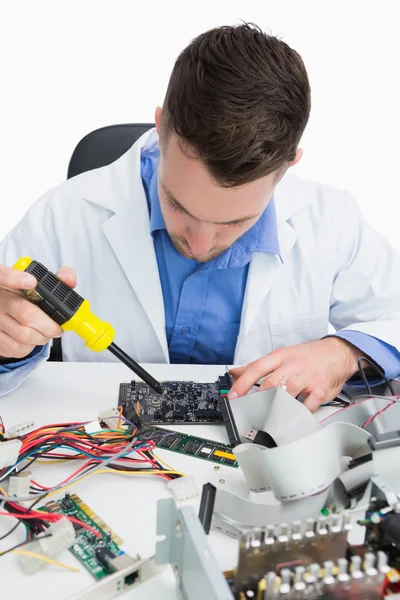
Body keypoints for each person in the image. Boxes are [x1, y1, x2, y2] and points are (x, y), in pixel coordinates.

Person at [1, 23, 400, 410]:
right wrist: (7, 345)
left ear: (288, 165)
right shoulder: (63, 214)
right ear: (161, 128)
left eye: (235, 223)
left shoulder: (332, 221)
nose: (199, 244)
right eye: (178, 206)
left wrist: (342, 352)